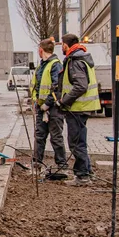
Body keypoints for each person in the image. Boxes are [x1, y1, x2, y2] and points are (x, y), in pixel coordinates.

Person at [57, 32, 100, 185]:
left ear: (66, 45)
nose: (61, 47)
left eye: (62, 44)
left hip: (77, 108)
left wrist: (64, 100)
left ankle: (82, 176)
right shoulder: (81, 57)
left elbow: (80, 86)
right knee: (80, 141)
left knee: (75, 143)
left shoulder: (75, 60)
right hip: (82, 107)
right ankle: (87, 172)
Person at [29, 39, 69, 179]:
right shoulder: (42, 66)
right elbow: (36, 86)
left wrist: (47, 103)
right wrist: (36, 102)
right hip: (41, 108)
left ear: (41, 50)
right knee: (39, 136)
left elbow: (56, 87)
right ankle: (36, 164)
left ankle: (62, 166)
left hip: (53, 109)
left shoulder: (55, 65)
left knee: (56, 137)